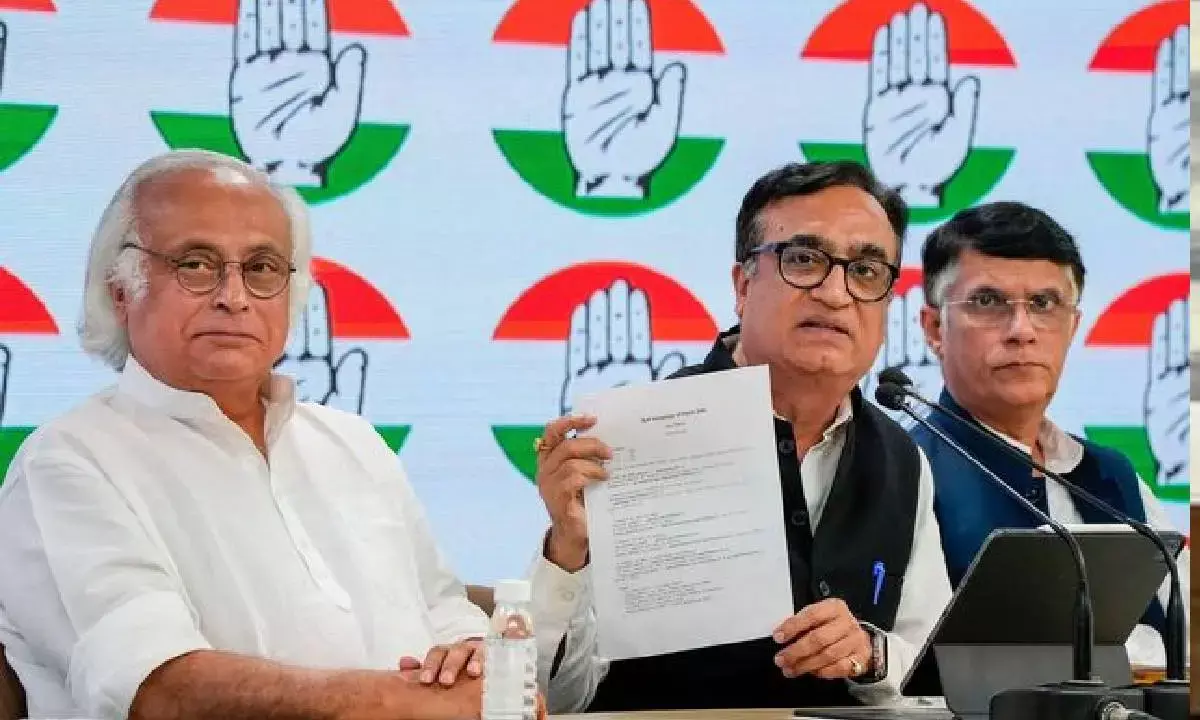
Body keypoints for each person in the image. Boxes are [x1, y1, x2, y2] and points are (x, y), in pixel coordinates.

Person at [0, 150, 491, 720]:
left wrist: (477, 663)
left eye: (261, 268)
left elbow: (444, 611)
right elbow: (157, 688)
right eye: (196, 264)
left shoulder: (351, 443)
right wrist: (403, 702)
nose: (233, 297)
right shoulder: (68, 463)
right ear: (120, 290)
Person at [527, 161, 954, 712]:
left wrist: (872, 655)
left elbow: (938, 688)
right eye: (804, 260)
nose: (835, 292)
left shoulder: (900, 459)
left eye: (867, 271)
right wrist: (568, 552)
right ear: (743, 285)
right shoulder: (638, 435)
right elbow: (554, 698)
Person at [910, 201, 1191, 667]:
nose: (1021, 331)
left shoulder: (1111, 475)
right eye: (988, 302)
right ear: (935, 327)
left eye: (1044, 304)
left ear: (1072, 325)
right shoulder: (904, 470)